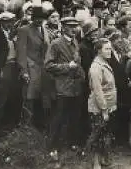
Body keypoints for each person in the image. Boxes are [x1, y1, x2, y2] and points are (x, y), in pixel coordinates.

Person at [45, 16, 85, 159]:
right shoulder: (56, 44)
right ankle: (53, 147)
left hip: (75, 87)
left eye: (75, 26)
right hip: (62, 87)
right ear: (63, 27)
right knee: (58, 118)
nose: (74, 29)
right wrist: (67, 67)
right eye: (70, 26)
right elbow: (48, 65)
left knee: (74, 116)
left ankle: (72, 142)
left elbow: (78, 62)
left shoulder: (75, 42)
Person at [0, 12, 22, 136]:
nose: (9, 24)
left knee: (12, 97)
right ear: (1, 22)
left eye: (11, 21)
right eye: (6, 21)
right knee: (0, 99)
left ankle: (8, 125)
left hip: (14, 67)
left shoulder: (13, 34)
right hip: (3, 67)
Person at [87, 38, 117, 169]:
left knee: (105, 134)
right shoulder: (96, 67)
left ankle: (103, 159)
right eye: (107, 49)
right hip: (99, 107)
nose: (110, 51)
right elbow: (98, 91)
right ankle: (95, 162)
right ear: (99, 51)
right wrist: (104, 109)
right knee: (97, 134)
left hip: (108, 105)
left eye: (110, 48)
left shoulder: (104, 63)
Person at [17, 6, 48, 129]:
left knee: (41, 97)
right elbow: (21, 52)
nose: (39, 21)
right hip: (30, 68)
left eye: (42, 19)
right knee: (29, 97)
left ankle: (39, 124)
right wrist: (24, 71)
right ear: (33, 18)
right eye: (37, 18)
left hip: (42, 68)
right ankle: (26, 125)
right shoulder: (24, 30)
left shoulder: (44, 30)